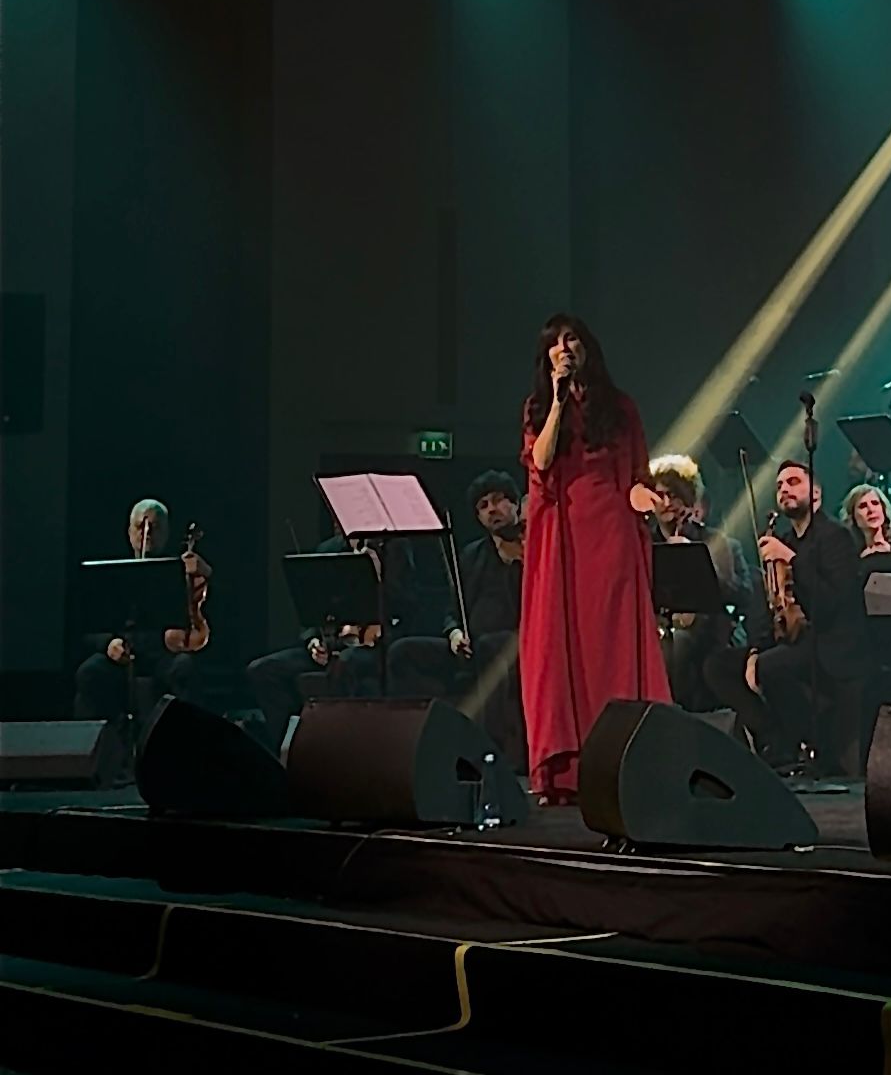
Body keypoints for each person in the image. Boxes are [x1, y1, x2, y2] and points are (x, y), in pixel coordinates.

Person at [519, 313, 670, 802]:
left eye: (573, 339)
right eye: (555, 343)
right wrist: (558, 402)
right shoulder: (539, 407)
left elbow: (637, 476)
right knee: (564, 649)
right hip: (561, 539)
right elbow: (541, 462)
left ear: (588, 348)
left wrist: (645, 498)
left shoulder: (621, 408)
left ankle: (626, 760)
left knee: (614, 647)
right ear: (547, 357)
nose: (565, 348)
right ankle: (568, 770)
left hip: (611, 535)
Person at [704, 461, 868, 776]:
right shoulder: (784, 540)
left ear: (816, 493)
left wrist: (792, 559)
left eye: (793, 482)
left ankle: (806, 741)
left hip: (830, 641)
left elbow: (832, 604)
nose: (784, 490)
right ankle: (773, 739)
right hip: (792, 639)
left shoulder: (836, 537)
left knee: (772, 666)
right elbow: (768, 604)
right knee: (718, 666)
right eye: (780, 485)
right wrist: (755, 650)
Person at [383, 470, 526, 771]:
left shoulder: (534, 549)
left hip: (517, 646)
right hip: (471, 647)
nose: (492, 510)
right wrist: (455, 634)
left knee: (491, 647)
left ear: (516, 505)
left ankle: (493, 756)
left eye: (499, 501)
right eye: (483, 506)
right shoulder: (472, 555)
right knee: (403, 653)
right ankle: (426, 744)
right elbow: (452, 610)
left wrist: (519, 562)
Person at [246, 527, 414, 750]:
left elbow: (407, 603)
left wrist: (378, 575)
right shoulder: (330, 549)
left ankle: (343, 749)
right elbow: (313, 607)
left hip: (375, 646)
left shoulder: (395, 547)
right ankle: (292, 750)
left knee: (345, 663)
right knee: (262, 670)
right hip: (334, 642)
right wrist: (313, 641)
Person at [74, 499, 208, 723]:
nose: (146, 533)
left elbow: (202, 617)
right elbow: (89, 624)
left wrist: (203, 575)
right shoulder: (112, 574)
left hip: (163, 654)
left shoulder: (180, 570)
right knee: (89, 673)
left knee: (184, 668)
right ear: (129, 533)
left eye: (154, 527)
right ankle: (109, 738)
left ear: (166, 533)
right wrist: (108, 643)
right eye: (139, 527)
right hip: (124, 653)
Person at [647, 454, 752, 711]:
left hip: (710, 632)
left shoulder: (716, 541)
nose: (667, 503)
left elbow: (741, 595)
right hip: (659, 629)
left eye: (674, 495)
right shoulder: (645, 545)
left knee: (679, 647)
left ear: (689, 498)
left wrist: (696, 560)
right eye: (660, 495)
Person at [841, 483, 891, 749]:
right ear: (854, 517)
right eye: (863, 506)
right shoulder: (851, 555)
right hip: (863, 635)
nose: (871, 510)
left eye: (875, 504)